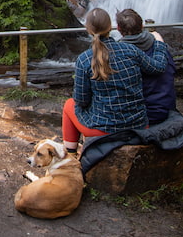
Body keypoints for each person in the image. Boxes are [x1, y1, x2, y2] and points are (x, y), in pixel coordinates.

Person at [62, 8, 168, 154]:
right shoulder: (130, 50)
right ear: (111, 27)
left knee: (69, 105)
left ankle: (70, 156)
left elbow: (81, 100)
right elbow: (158, 67)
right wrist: (159, 44)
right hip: (138, 126)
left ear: (88, 29)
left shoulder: (84, 59)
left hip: (103, 130)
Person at [116, 8, 176, 125]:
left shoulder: (118, 55)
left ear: (118, 29)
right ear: (142, 26)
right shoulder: (161, 49)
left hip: (136, 116)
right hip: (165, 110)